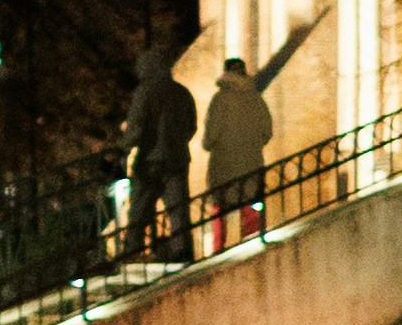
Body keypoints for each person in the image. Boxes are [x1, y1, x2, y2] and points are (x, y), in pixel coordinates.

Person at [200, 31, 302, 244]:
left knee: (220, 206)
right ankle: (252, 241)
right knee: (251, 203)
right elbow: (266, 132)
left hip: (223, 163)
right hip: (251, 162)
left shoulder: (220, 100)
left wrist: (212, 144)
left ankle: (219, 248)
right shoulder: (256, 100)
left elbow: (210, 136)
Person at [117, 41, 195, 257]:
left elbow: (137, 126)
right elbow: (191, 125)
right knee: (178, 209)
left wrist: (126, 147)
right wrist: (178, 141)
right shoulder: (181, 92)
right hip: (177, 158)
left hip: (150, 159)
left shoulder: (145, 92)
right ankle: (182, 250)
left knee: (140, 210)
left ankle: (133, 251)